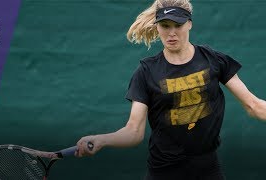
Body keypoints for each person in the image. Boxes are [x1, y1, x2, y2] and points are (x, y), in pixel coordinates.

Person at [75, 0, 266, 179]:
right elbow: (133, 131)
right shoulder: (146, 72)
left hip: (208, 170)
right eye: (165, 26)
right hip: (163, 172)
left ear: (189, 24)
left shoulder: (213, 60)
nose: (171, 33)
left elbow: (254, 106)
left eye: (178, 25)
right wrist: (101, 140)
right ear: (157, 27)